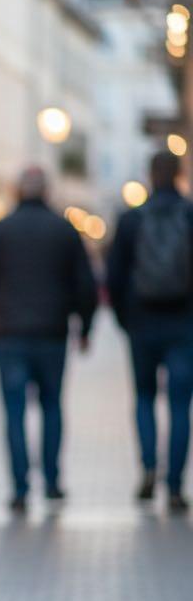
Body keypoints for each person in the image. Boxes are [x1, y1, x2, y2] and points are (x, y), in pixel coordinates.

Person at [0, 166, 98, 511]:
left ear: (16, 191)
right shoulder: (64, 230)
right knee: (52, 406)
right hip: (52, 333)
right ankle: (53, 482)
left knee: (13, 411)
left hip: (9, 334)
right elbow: (85, 285)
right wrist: (84, 327)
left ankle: (20, 487)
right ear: (47, 192)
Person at [106, 150, 193, 512]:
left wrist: (127, 320)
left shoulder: (131, 219)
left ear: (150, 174)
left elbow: (114, 276)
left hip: (142, 324)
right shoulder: (189, 214)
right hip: (184, 325)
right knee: (179, 405)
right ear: (178, 174)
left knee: (143, 398)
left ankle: (148, 468)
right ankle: (174, 486)